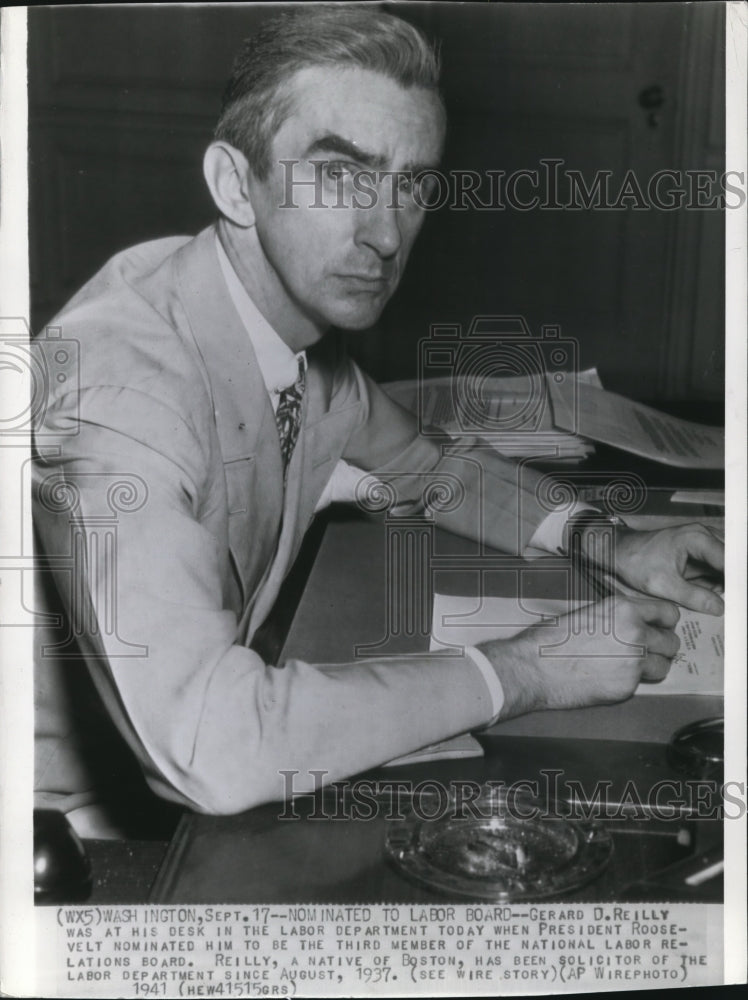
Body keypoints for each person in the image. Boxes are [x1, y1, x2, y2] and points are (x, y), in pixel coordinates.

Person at [32, 6, 723, 829]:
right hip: (65, 834)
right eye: (340, 174)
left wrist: (611, 542)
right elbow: (211, 749)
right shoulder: (124, 401)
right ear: (232, 184)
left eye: (413, 186)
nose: (387, 233)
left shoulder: (272, 328)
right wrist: (530, 668)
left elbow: (431, 470)